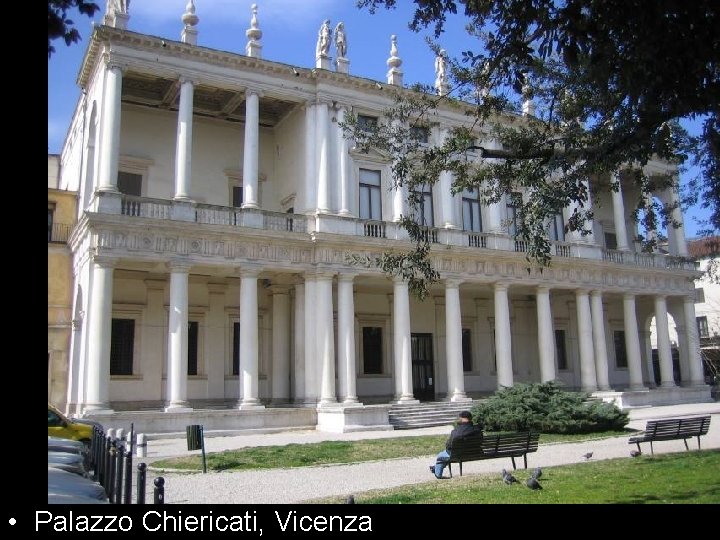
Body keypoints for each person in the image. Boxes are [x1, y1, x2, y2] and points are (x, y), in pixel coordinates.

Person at [429, 410, 482, 479]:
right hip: (475, 453)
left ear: (462, 418)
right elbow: (480, 441)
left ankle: (438, 475)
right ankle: (435, 468)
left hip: (458, 454)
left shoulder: (457, 431)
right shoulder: (477, 429)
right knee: (446, 454)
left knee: (440, 456)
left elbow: (449, 445)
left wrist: (448, 446)